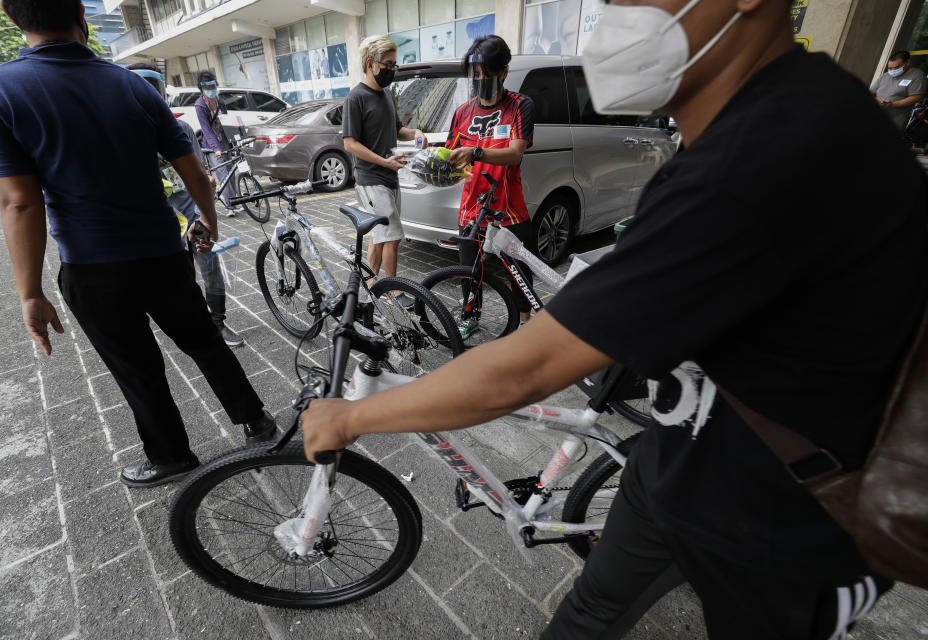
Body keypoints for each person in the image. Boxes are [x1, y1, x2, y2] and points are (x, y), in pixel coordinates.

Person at [302, 0, 928, 637]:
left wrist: (353, 416)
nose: (614, 17)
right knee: (586, 615)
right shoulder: (788, 110)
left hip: (778, 525)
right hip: (677, 462)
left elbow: (529, 368)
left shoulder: (767, 152)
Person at [0, 0, 278, 488]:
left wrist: (29, 292)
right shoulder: (131, 84)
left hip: (93, 265)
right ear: (80, 15)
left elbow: (20, 203)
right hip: (162, 252)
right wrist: (207, 220)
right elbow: (194, 170)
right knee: (204, 341)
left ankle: (172, 455)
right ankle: (258, 423)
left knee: (137, 367)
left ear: (11, 17)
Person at [128, 63, 245, 348]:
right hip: (160, 225)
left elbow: (197, 173)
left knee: (211, 266)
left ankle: (218, 322)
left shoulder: (180, 129)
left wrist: (206, 206)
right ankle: (195, 325)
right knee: (180, 278)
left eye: (154, 90)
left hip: (193, 214)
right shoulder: (127, 138)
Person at [447, 35, 537, 335]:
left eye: (487, 72)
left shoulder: (520, 106)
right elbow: (451, 155)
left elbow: (515, 153)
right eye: (476, 73)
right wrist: (436, 166)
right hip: (471, 207)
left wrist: (476, 152)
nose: (481, 78)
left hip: (509, 208)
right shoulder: (462, 112)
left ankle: (525, 321)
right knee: (469, 270)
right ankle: (470, 315)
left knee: (519, 272)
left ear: (505, 71)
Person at [342, 35, 427, 305]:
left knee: (381, 236)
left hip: (390, 176)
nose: (393, 69)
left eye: (395, 63)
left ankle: (369, 285)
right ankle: (394, 291)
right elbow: (350, 143)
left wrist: (414, 133)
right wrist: (383, 162)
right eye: (388, 64)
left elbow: (396, 131)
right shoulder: (356, 98)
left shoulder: (387, 94)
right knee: (393, 237)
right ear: (371, 63)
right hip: (371, 179)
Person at [195, 70, 238, 216]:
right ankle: (229, 206)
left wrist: (233, 140)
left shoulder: (220, 101)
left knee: (231, 171)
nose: (211, 90)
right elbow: (206, 129)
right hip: (212, 145)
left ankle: (236, 200)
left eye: (213, 87)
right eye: (207, 88)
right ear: (202, 89)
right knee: (222, 173)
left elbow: (226, 121)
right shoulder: (200, 105)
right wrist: (215, 148)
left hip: (224, 140)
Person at [871, 50, 926, 130]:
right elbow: (871, 92)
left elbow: (917, 97)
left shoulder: (917, 75)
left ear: (907, 62)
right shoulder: (886, 75)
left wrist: (893, 104)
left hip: (895, 121)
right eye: (890, 68)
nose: (893, 70)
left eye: (896, 67)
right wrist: (878, 100)